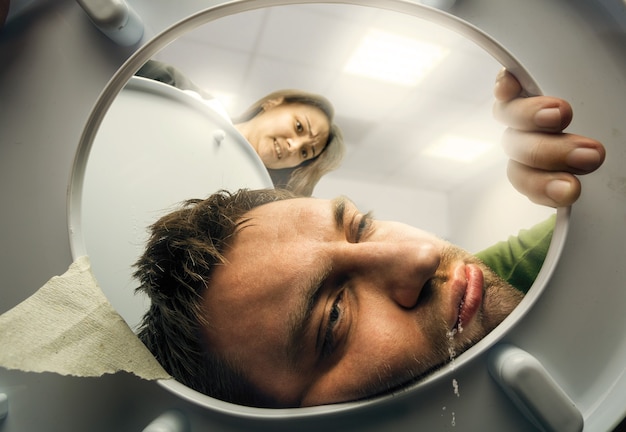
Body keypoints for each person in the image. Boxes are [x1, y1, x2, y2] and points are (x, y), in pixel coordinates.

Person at [132, 70, 605, 408]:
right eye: (334, 315)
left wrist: (606, 171)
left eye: (361, 227)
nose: (421, 254)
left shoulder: (477, 282)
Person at [136, 60, 345, 196]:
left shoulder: (248, 212)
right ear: (274, 103)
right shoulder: (173, 88)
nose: (294, 146)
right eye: (299, 127)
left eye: (304, 152)